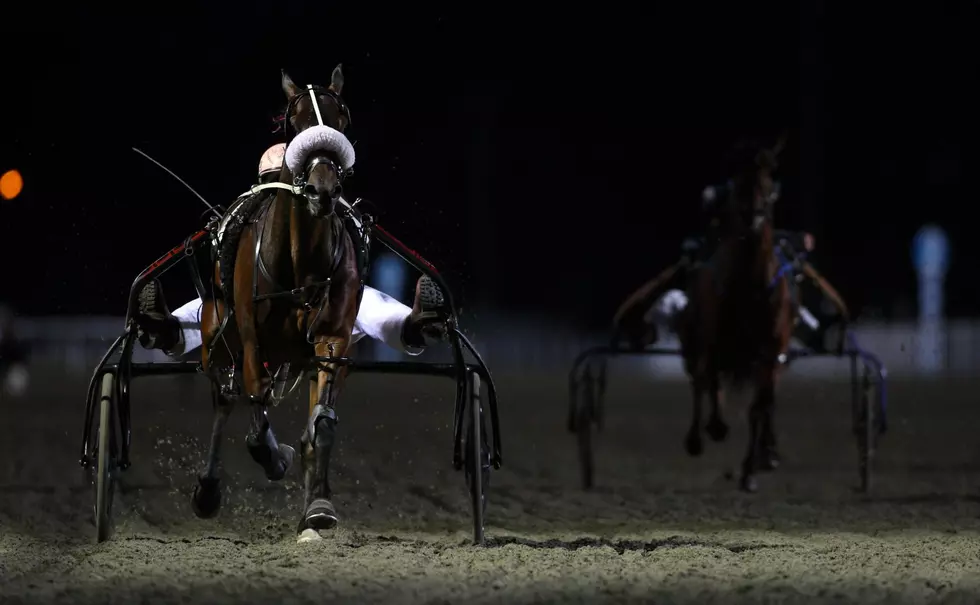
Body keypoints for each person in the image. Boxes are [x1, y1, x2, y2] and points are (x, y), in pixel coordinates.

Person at [135, 144, 446, 361]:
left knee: (360, 302)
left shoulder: (326, 209)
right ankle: (166, 330)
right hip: (289, 308)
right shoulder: (257, 211)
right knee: (219, 306)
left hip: (313, 306)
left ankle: (415, 327)